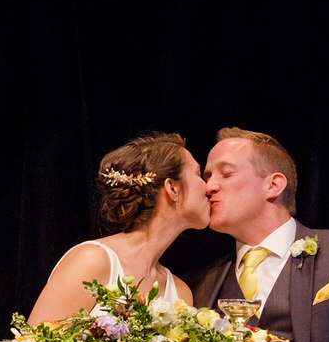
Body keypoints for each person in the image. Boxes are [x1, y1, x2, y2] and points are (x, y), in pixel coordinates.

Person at [188, 127, 329, 342]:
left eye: (227, 173)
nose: (209, 187)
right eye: (207, 176)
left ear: (273, 185)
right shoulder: (200, 283)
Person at [27, 133, 208, 325]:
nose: (208, 186)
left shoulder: (180, 293)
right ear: (172, 188)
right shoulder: (92, 261)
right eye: (198, 174)